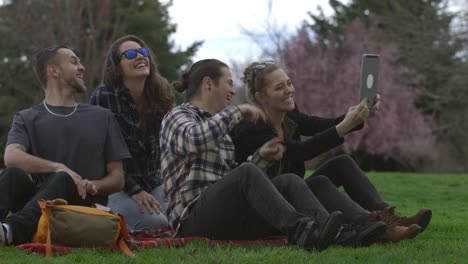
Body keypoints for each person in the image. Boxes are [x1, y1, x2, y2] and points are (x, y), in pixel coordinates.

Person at [159, 59, 387, 251]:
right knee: (247, 171)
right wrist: (236, 112)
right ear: (208, 84)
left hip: (227, 214)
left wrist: (262, 157)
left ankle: (338, 233)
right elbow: (193, 140)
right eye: (229, 84)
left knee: (287, 180)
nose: (232, 91)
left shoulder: (223, 130)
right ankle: (303, 230)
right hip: (192, 218)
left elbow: (235, 178)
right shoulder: (178, 116)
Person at [230, 61, 432, 243]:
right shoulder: (251, 128)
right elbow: (301, 152)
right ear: (261, 97)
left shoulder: (289, 114)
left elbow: (321, 125)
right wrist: (345, 126)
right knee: (317, 182)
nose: (289, 90)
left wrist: (358, 116)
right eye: (279, 87)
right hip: (270, 209)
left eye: (289, 83)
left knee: (341, 163)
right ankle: (376, 228)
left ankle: (388, 218)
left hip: (295, 193)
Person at [0, 45, 130, 246]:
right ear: (54, 70)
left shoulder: (102, 117)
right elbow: (11, 157)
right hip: (40, 210)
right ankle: (11, 229)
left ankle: (10, 230)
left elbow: (118, 178)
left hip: (82, 211)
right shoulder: (27, 117)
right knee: (12, 175)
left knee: (63, 178)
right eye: (73, 61)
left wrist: (94, 185)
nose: (82, 67)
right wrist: (58, 166)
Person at [90, 35, 172, 230]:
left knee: (182, 215)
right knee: (158, 223)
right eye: (130, 54)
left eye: (143, 52)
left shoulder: (161, 96)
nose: (140, 57)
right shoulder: (104, 96)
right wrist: (134, 189)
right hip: (117, 186)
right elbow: (100, 153)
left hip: (154, 183)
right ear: (117, 67)